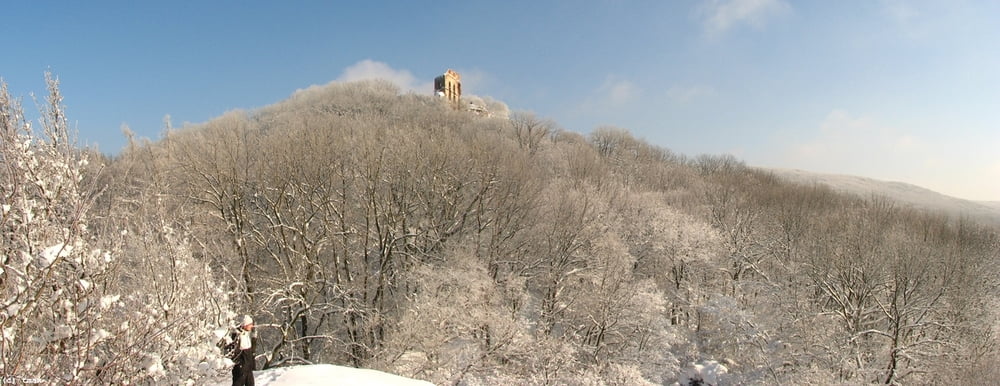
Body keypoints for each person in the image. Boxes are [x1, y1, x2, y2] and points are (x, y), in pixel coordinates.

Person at [224, 315, 257, 386]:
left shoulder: (247, 334)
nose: (251, 326)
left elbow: (250, 351)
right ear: (245, 325)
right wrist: (240, 365)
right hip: (240, 368)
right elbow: (234, 352)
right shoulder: (237, 335)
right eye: (250, 324)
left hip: (248, 368)